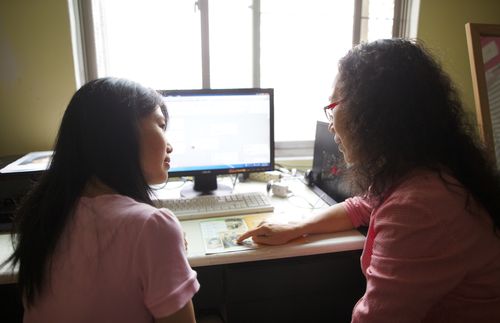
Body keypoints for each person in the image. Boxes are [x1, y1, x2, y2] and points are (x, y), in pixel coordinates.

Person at [238, 39, 500, 322]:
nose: (330, 120)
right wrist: (298, 226)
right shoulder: (424, 169)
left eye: (333, 104)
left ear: (374, 113)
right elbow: (362, 204)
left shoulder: (420, 207)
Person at [2, 77, 199, 322]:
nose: (169, 145)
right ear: (120, 134)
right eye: (160, 125)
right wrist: (164, 242)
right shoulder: (152, 227)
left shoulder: (43, 213)